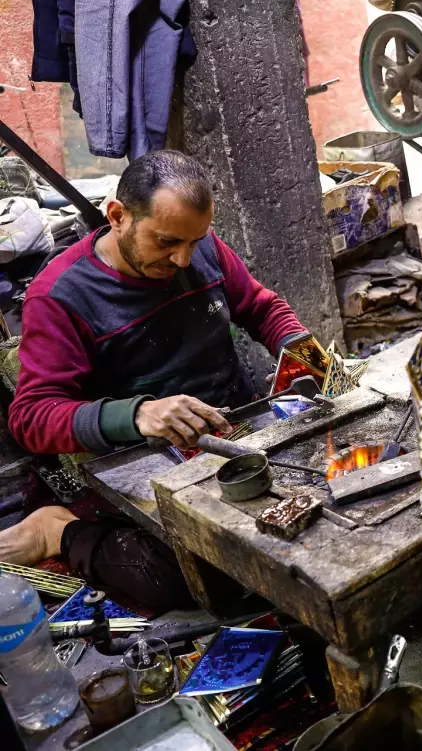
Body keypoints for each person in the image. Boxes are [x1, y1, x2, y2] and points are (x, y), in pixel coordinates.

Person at [0, 150, 309, 610]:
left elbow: (261, 307)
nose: (183, 259)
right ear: (118, 216)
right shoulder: (60, 296)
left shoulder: (197, 247)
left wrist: (305, 354)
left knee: (308, 511)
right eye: (166, 243)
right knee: (199, 577)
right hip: (147, 459)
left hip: (235, 428)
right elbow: (31, 417)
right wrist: (139, 413)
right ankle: (60, 532)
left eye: (193, 241)